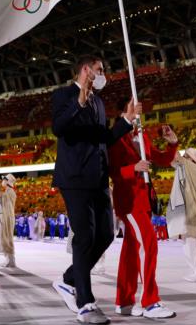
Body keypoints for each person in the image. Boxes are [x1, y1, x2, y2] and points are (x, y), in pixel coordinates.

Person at [51, 54, 140, 324]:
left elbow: (104, 139)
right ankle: (85, 302)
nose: (104, 74)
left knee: (105, 235)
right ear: (86, 69)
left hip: (98, 179)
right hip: (74, 178)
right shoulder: (63, 95)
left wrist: (125, 121)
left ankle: (68, 280)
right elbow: (59, 128)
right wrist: (77, 104)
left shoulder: (99, 102)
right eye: (100, 69)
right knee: (85, 236)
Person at [109, 112, 179, 319]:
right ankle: (150, 302)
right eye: (133, 111)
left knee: (131, 252)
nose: (138, 117)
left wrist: (173, 144)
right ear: (123, 114)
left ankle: (124, 301)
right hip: (129, 202)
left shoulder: (142, 137)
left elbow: (162, 159)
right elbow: (111, 171)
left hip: (144, 200)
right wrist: (133, 168)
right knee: (149, 244)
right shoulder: (115, 138)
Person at [167, 148, 196, 282]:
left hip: (192, 210)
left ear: (191, 159)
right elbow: (173, 161)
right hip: (186, 210)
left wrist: (173, 143)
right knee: (188, 241)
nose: (183, 157)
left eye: (186, 156)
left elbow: (176, 157)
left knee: (191, 241)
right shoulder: (186, 168)